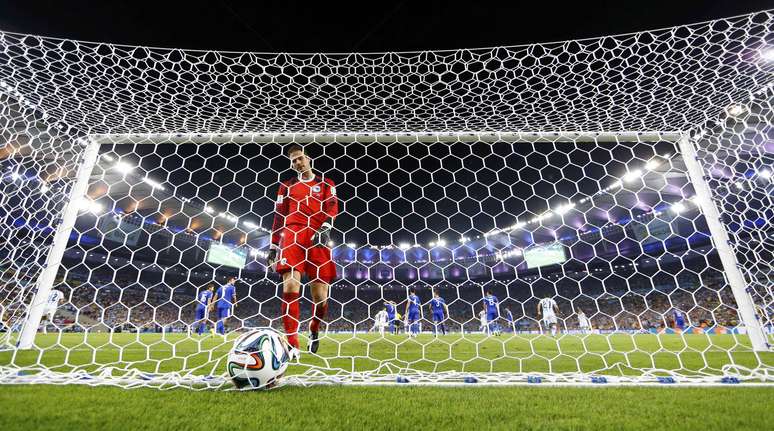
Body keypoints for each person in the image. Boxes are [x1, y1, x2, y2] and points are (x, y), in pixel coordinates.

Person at [267, 144, 338, 358]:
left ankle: (314, 328)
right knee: (289, 285)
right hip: (293, 234)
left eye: (300, 158)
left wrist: (325, 228)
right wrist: (273, 246)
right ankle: (292, 344)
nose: (297, 163)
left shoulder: (326, 183)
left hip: (317, 236)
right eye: (293, 161)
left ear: (308, 158)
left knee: (320, 299)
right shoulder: (286, 186)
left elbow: (333, 207)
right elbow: (279, 217)